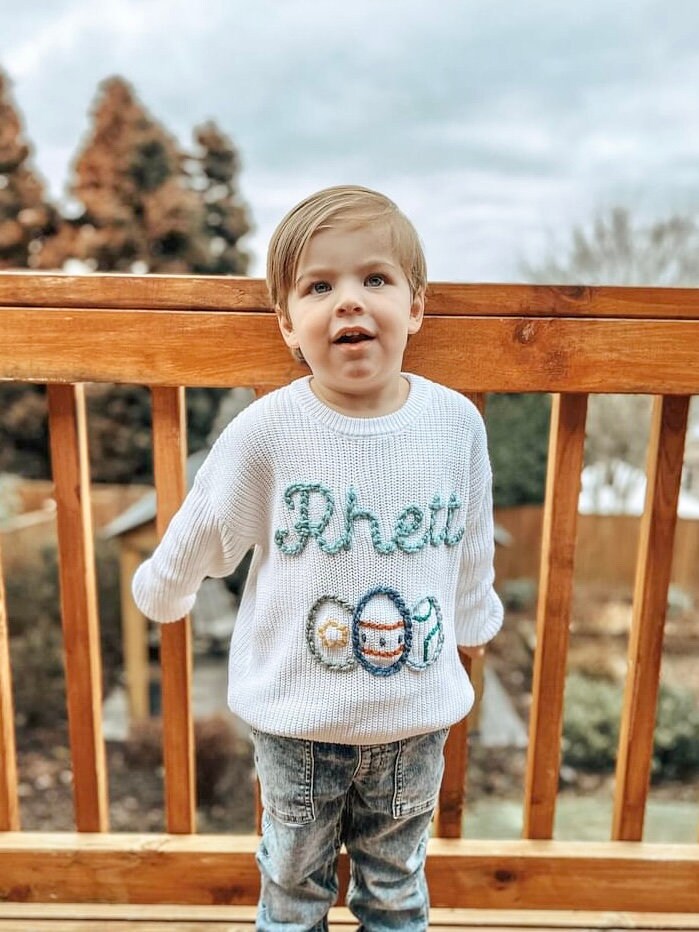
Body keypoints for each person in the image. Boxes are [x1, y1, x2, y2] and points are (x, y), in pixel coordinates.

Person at [132, 185, 503, 931]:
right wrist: (164, 590)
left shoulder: (455, 424)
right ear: (287, 324)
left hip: (414, 723)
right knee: (293, 885)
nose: (349, 301)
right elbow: (206, 524)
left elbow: (470, 542)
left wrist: (473, 619)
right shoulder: (265, 431)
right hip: (296, 724)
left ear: (415, 306)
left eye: (375, 278)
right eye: (319, 286)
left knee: (395, 887)